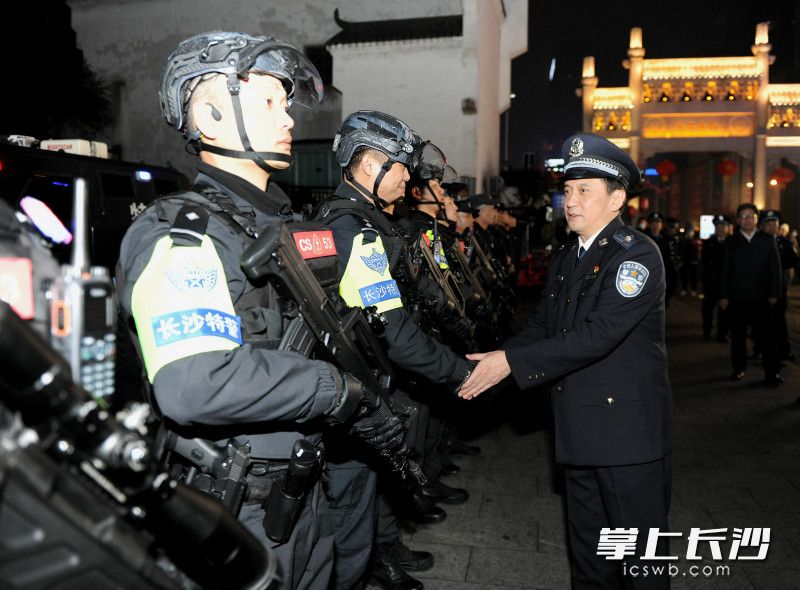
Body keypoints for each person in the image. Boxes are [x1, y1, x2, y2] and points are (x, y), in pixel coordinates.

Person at [117, 32, 407, 589]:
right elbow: (193, 381)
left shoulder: (279, 226)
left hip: (302, 489)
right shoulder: (182, 232)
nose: (289, 118)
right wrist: (332, 388)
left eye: (286, 103)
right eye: (269, 102)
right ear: (209, 117)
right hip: (234, 507)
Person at [458, 133, 672, 589]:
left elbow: (596, 337)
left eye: (584, 190)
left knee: (640, 564)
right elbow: (544, 327)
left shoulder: (635, 256)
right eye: (568, 190)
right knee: (589, 560)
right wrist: (501, 357)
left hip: (625, 439)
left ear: (617, 199)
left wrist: (510, 366)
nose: (570, 201)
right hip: (577, 431)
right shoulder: (566, 256)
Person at [316, 110, 473, 590]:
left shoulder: (366, 222)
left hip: (370, 379)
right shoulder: (353, 228)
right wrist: (461, 373)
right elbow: (395, 332)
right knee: (352, 499)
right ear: (368, 167)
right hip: (357, 384)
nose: (409, 176)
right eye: (400, 165)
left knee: (373, 481)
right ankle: (364, 569)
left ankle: (377, 555)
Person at [719, 203, 782, 385]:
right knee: (738, 337)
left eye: (750, 216)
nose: (747, 220)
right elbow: (724, 270)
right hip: (737, 297)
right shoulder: (731, 241)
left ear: (756, 219)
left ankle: (773, 372)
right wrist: (723, 295)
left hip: (761, 297)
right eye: (743, 217)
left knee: (766, 337)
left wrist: (774, 293)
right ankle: (739, 368)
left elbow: (775, 269)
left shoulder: (767, 239)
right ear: (738, 220)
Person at [760, 209, 797, 362]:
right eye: (767, 223)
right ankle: (761, 349)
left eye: (774, 222)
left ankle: (784, 351)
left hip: (780, 288)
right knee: (762, 321)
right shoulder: (757, 242)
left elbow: (794, 261)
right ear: (762, 226)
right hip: (762, 289)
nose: (771, 225)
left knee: (780, 320)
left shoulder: (785, 243)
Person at [701, 215, 731, 341]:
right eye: (718, 226)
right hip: (711, 282)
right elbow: (704, 263)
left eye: (723, 225)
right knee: (708, 309)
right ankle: (707, 332)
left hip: (727, 282)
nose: (720, 228)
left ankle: (722, 334)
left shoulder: (733, 243)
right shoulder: (708, 243)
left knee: (725, 310)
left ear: (728, 227)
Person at [679, 225, 699, 297]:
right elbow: (681, 251)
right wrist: (681, 261)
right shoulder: (683, 240)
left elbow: (697, 251)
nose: (690, 233)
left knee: (693, 277)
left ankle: (694, 290)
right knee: (684, 276)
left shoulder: (696, 240)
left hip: (693, 262)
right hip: (685, 262)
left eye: (691, 232)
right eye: (689, 232)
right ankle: (684, 289)